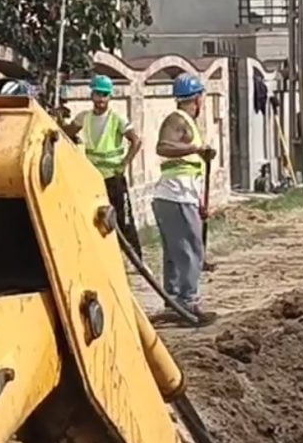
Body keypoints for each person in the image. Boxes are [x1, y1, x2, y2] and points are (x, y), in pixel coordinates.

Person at [152, 73, 216, 321]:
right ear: (198, 98)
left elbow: (190, 168)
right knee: (191, 250)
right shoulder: (177, 120)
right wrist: (196, 148)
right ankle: (187, 303)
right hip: (175, 196)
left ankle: (174, 302)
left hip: (179, 195)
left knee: (175, 252)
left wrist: (200, 203)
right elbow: (163, 147)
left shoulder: (186, 122)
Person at [78, 75, 142, 252]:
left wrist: (124, 164)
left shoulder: (117, 118)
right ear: (92, 95)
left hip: (114, 178)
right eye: (98, 94)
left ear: (110, 97)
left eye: (104, 95)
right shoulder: (84, 118)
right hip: (94, 179)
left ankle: (136, 259)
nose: (100, 99)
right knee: (97, 219)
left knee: (123, 220)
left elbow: (136, 141)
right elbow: (67, 132)